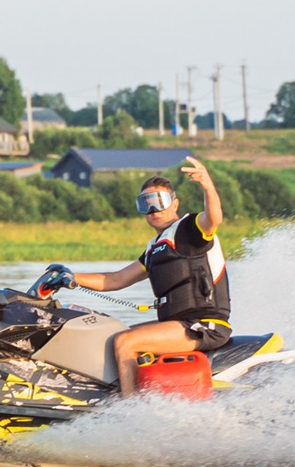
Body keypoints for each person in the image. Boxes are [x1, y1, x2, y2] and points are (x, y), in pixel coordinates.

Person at [36, 157, 230, 392]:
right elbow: (116, 279)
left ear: (175, 203)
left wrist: (208, 186)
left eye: (159, 201)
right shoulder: (154, 248)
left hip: (203, 325)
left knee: (125, 342)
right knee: (112, 334)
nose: (152, 209)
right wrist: (69, 276)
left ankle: (129, 409)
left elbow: (214, 219)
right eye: (145, 203)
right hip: (176, 324)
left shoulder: (189, 229)